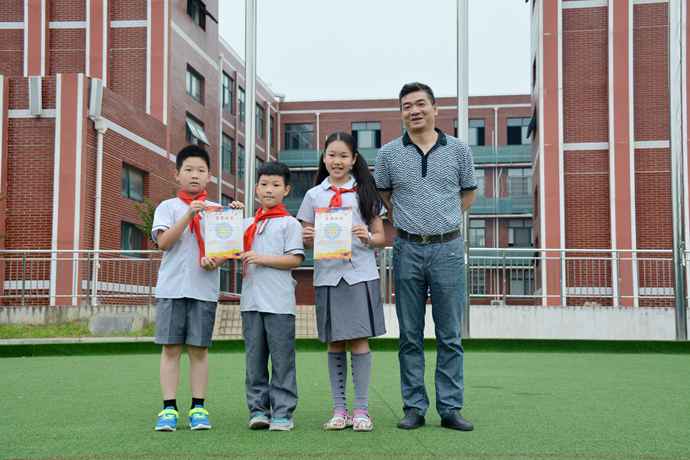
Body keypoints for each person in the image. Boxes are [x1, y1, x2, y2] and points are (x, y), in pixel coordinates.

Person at [374, 82, 477, 431]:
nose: (414, 111)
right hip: (407, 249)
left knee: (450, 333)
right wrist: (410, 220)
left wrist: (442, 219)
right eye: (407, 106)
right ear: (401, 113)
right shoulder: (388, 154)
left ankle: (450, 408)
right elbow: (384, 196)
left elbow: (468, 194)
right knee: (409, 334)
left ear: (435, 108)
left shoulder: (459, 150)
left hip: (448, 249)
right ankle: (414, 407)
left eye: (420, 104)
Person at [297, 132, 387, 432]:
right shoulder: (314, 195)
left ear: (354, 159)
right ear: (324, 158)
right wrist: (307, 236)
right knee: (334, 341)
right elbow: (305, 238)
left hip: (359, 274)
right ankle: (339, 410)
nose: (337, 161)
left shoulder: (366, 192)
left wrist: (367, 236)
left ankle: (361, 410)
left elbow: (381, 238)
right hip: (328, 276)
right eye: (332, 155)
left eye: (343, 156)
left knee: (359, 339)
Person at [151, 144, 239, 432]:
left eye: (201, 170)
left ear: (209, 176)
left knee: (199, 350)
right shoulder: (167, 207)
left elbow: (228, 249)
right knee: (171, 349)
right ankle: (169, 408)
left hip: (203, 289)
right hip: (171, 289)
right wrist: (188, 214)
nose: (194, 175)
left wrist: (217, 261)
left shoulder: (217, 210)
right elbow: (163, 243)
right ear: (177, 174)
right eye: (188, 169)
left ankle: (198, 407)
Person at [240, 161, 305, 432]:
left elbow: (295, 259)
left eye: (276, 185)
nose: (269, 190)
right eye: (264, 184)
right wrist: (230, 217)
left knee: (282, 361)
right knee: (254, 361)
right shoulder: (246, 223)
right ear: (256, 188)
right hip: (251, 302)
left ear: (286, 190)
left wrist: (261, 258)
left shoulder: (290, 223)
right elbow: (225, 244)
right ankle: (258, 410)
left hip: (279, 303)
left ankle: (282, 412)